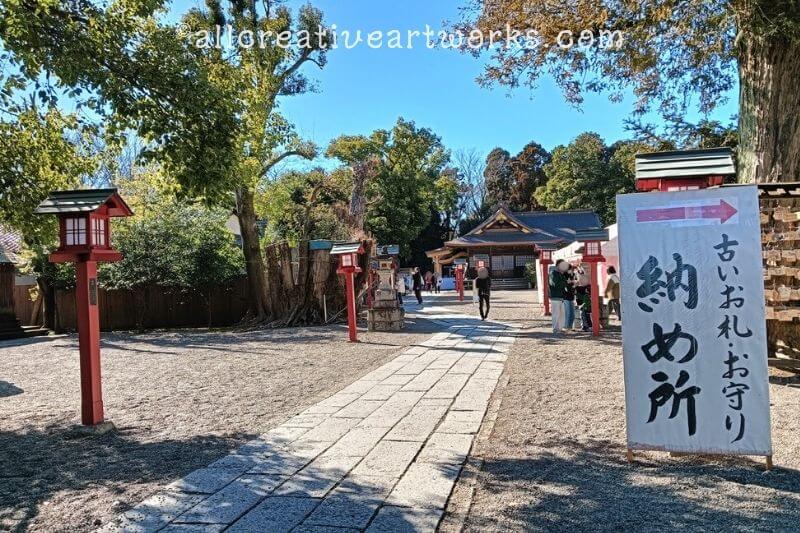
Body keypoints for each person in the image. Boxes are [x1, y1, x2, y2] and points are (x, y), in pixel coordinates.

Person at [549, 259, 569, 334]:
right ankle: (555, 329)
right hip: (555, 296)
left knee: (562, 314)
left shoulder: (561, 274)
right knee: (556, 314)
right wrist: (565, 282)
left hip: (561, 297)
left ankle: (560, 328)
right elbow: (555, 284)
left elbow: (564, 283)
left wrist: (565, 282)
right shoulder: (553, 273)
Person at [564, 264, 577, 331]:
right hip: (566, 296)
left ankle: (570, 326)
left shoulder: (572, 275)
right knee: (568, 312)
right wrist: (572, 283)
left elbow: (573, 284)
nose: (572, 270)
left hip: (571, 296)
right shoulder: (565, 275)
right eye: (571, 269)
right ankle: (567, 326)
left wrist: (573, 282)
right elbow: (567, 285)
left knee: (572, 313)